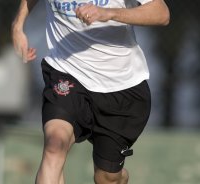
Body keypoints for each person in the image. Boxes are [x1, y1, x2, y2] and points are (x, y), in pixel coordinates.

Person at [12, 0, 170, 183]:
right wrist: (18, 25)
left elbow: (161, 13)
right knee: (54, 145)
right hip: (67, 71)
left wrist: (108, 13)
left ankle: (117, 176)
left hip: (121, 86)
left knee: (106, 178)